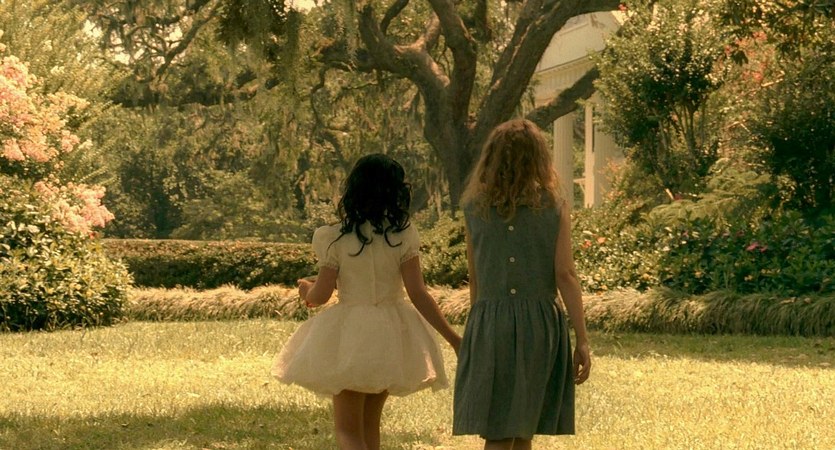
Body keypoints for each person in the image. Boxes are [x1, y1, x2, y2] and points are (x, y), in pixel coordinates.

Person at [273, 153, 462, 450]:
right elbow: (418, 293)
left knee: (348, 431)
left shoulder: (335, 237)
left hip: (351, 335)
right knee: (369, 427)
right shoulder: (402, 235)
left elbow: (320, 296)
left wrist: (305, 291)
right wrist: (453, 338)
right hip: (391, 334)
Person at [452, 119, 592, 450]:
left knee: (504, 429)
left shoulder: (474, 208)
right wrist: (583, 339)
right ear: (538, 159)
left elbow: (476, 277)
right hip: (539, 325)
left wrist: (478, 331)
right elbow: (565, 275)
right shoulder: (553, 207)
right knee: (518, 428)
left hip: (490, 322)